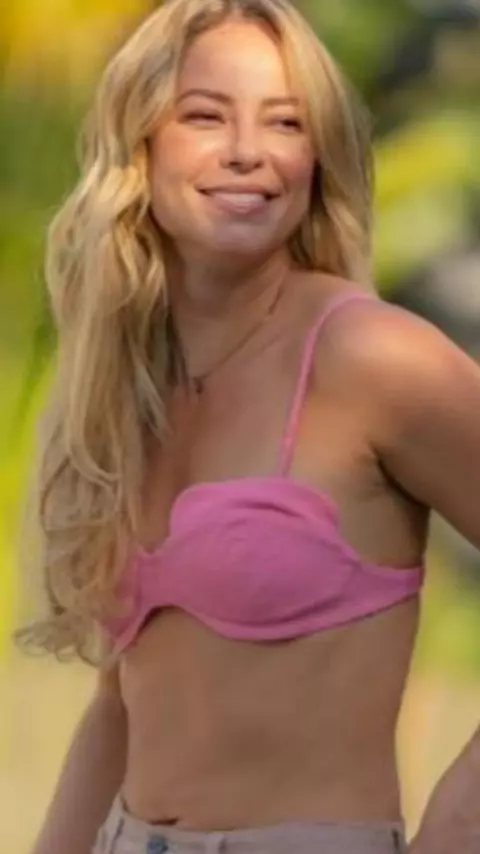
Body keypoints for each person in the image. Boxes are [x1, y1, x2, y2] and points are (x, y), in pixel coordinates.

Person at [18, 1, 480, 852]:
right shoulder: (130, 380)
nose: (247, 151)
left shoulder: (371, 357)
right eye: (205, 115)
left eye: (286, 122)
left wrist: (457, 826)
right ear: (140, 144)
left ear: (317, 156)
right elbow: (120, 706)